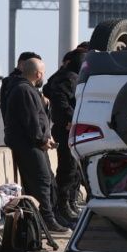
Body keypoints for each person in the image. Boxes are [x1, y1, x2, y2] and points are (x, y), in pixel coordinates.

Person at [4, 58, 69, 233]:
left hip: (34, 143)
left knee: (46, 179)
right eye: (43, 73)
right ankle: (47, 220)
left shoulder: (27, 89)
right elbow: (30, 121)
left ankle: (44, 219)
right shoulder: (24, 90)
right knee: (42, 181)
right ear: (38, 74)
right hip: (29, 145)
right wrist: (41, 140)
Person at [43, 47, 87, 226]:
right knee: (67, 170)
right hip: (67, 129)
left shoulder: (69, 76)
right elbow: (59, 99)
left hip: (72, 129)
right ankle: (63, 207)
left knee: (75, 170)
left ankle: (68, 203)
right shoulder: (68, 77)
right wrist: (71, 118)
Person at [0, 51, 42, 123]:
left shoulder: (13, 83)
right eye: (34, 66)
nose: (39, 74)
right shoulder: (20, 86)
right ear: (22, 65)